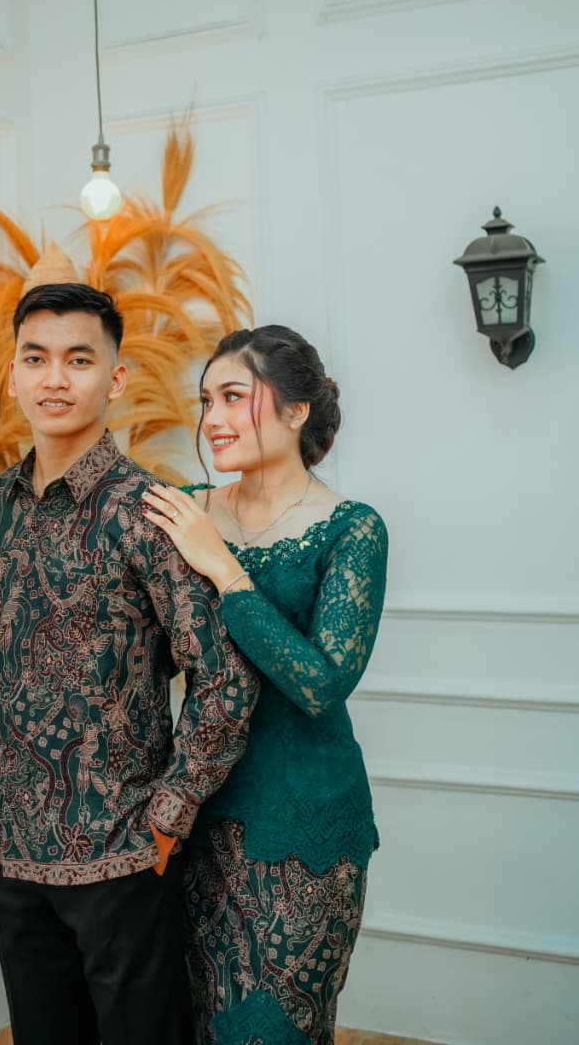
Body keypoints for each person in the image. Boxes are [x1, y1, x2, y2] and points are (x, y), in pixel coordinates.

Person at [0, 282, 258, 1045]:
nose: (54, 378)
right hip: (12, 846)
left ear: (114, 378)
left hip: (123, 853)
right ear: (13, 374)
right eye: (36, 358)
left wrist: (168, 815)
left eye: (78, 359)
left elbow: (223, 678)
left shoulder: (148, 511)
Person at [141, 325, 388, 1045]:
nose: (212, 418)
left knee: (275, 1032)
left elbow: (321, 683)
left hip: (305, 825)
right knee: (196, 1022)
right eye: (205, 401)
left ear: (295, 411)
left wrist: (223, 568)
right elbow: (123, 640)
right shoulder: (187, 509)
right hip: (195, 814)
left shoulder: (352, 530)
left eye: (232, 397)